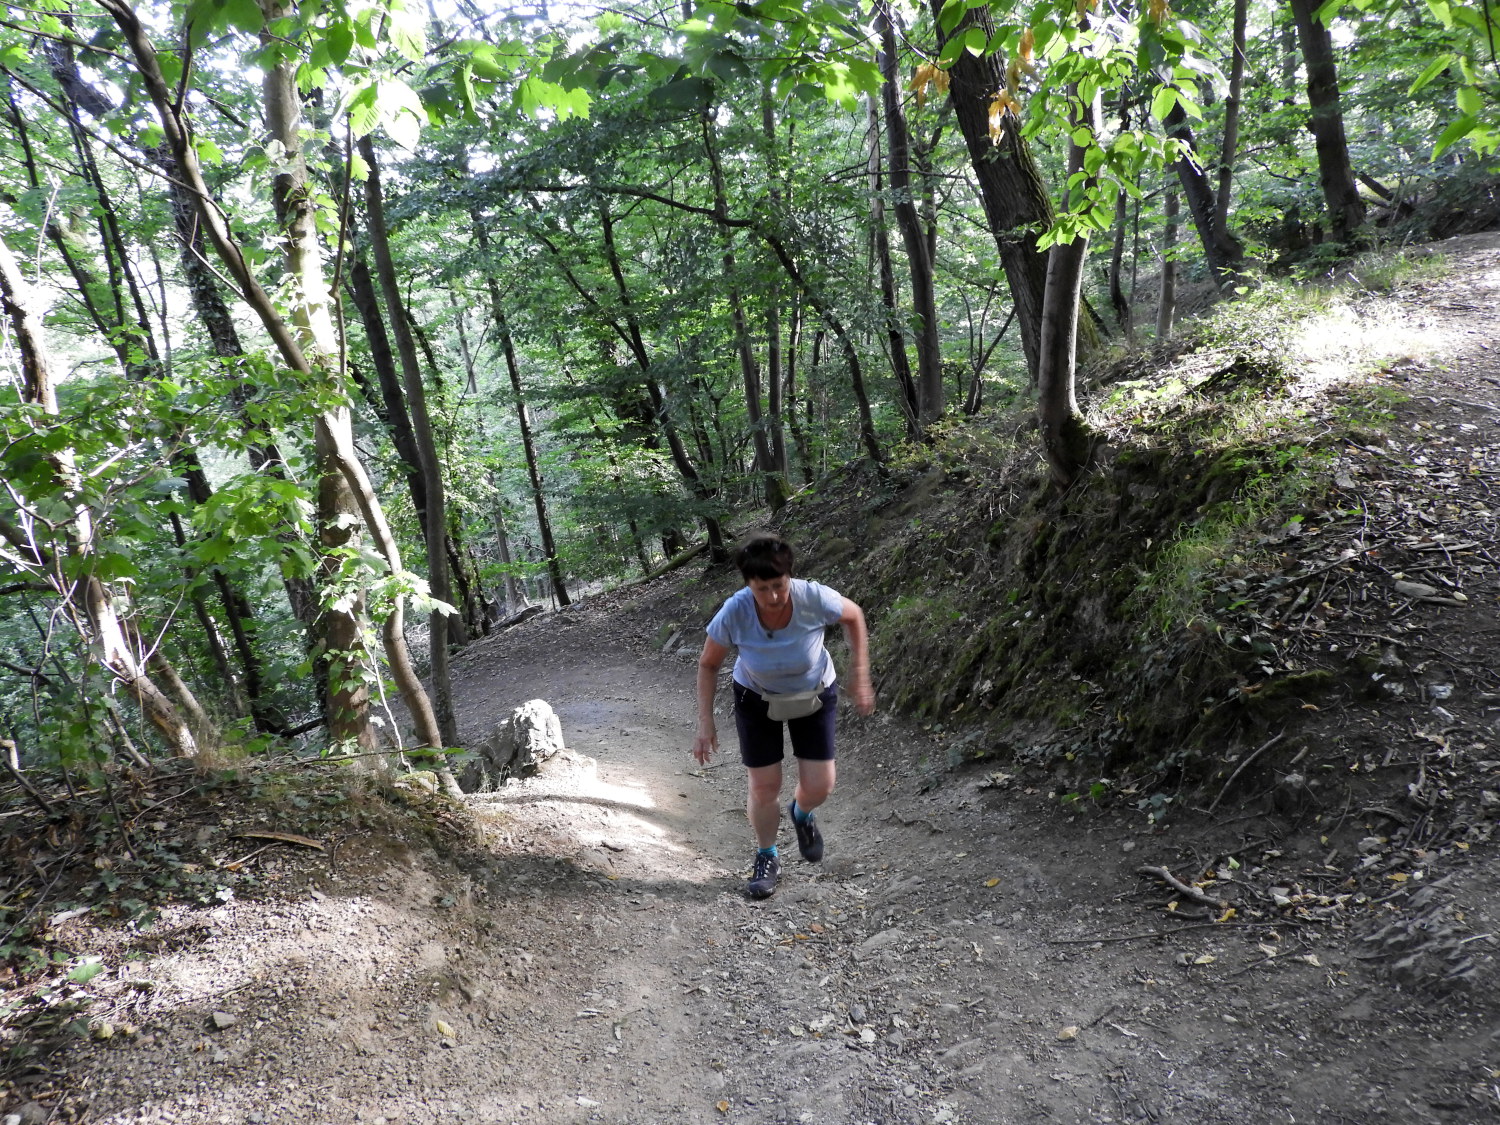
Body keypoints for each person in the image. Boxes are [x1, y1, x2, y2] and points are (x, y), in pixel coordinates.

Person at [693, 534, 875, 899]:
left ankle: (803, 813)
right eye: (762, 589)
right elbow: (709, 663)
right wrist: (705, 723)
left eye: (779, 585)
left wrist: (860, 674)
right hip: (756, 698)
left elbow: (854, 616)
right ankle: (767, 856)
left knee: (820, 785)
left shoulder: (813, 597)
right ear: (748, 585)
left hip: (815, 693)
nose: (773, 596)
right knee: (763, 787)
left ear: (790, 577)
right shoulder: (735, 611)